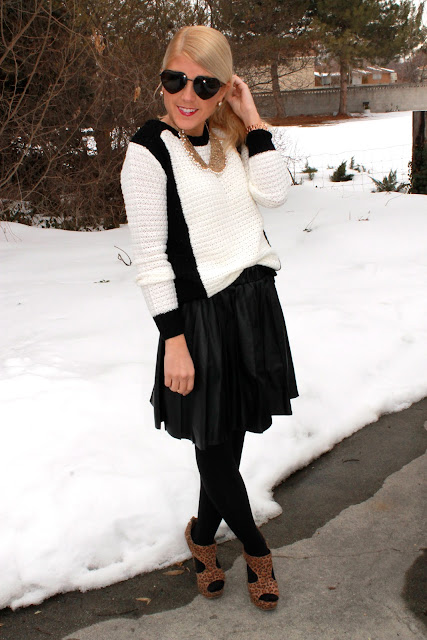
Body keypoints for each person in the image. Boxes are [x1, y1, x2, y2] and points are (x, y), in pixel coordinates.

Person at [120, 24, 298, 611]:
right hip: (197, 319)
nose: (187, 95)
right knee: (214, 445)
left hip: (253, 306)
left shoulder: (229, 133)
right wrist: (173, 340)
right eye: (176, 80)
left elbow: (274, 194)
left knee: (227, 440)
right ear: (162, 81)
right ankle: (256, 550)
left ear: (223, 88)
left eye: (204, 84)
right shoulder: (148, 151)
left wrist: (252, 118)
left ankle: (201, 536)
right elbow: (151, 258)